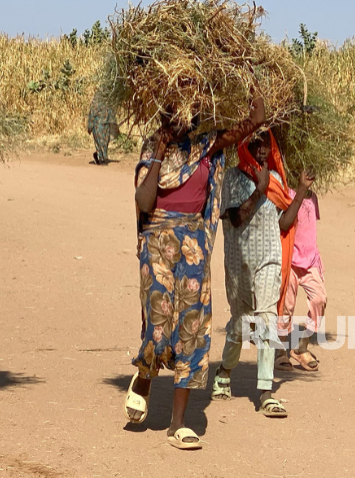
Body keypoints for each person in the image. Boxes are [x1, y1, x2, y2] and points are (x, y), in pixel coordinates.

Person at [124, 92, 266, 450]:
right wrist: (160, 149)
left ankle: (178, 424)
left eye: (187, 111)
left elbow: (254, 121)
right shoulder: (153, 146)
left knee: (191, 325)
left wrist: (249, 85)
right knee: (159, 320)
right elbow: (143, 201)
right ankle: (145, 375)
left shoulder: (207, 144)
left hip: (194, 241)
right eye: (172, 111)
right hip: (158, 238)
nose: (180, 118)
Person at [212, 129, 311, 417]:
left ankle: (266, 391)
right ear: (244, 146)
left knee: (267, 320)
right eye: (255, 143)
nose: (262, 150)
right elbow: (235, 217)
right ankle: (224, 371)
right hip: (239, 264)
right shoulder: (232, 178)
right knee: (241, 324)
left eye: (266, 144)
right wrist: (259, 189)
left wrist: (301, 190)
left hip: (269, 261)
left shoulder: (277, 181)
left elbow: (284, 224)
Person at [275, 184, 327, 372]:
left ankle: (301, 347)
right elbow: (283, 223)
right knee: (286, 306)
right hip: (289, 259)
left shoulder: (312, 197)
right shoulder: (285, 194)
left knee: (320, 299)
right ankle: (281, 350)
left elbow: (310, 228)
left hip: (311, 259)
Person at [87, 96, 119, 165]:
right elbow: (91, 115)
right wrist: (90, 127)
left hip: (105, 125)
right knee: (99, 142)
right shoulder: (95, 103)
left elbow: (111, 113)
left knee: (105, 142)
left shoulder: (107, 102)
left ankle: (99, 155)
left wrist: (114, 124)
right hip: (97, 126)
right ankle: (101, 158)